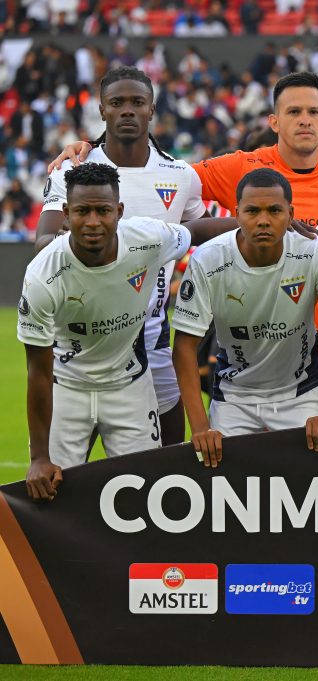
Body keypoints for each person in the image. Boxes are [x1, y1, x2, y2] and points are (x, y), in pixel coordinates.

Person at [49, 71, 318, 391]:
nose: (304, 120)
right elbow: (157, 172)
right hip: (264, 346)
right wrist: (96, 147)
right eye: (293, 112)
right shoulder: (242, 167)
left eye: (313, 112)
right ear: (274, 122)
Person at [37, 67, 208, 446]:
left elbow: (205, 236)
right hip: (81, 336)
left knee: (164, 462)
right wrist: (66, 239)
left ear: (152, 110)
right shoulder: (74, 168)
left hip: (153, 333)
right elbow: (44, 239)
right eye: (117, 103)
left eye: (136, 102)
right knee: (61, 472)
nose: (127, 110)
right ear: (101, 111)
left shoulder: (180, 175)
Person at [18, 163, 198, 501]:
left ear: (119, 212)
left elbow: (197, 231)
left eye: (103, 211)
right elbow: (38, 372)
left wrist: (267, 227)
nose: (92, 222)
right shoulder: (43, 274)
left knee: (146, 496)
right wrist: (39, 458)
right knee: (52, 497)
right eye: (82, 212)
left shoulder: (147, 238)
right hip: (65, 388)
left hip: (129, 387)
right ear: (67, 215)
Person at [171, 169, 318, 467]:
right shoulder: (208, 259)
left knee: (312, 482)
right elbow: (184, 347)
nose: (263, 220)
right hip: (234, 395)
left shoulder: (314, 252)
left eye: (274, 211)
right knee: (223, 486)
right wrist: (200, 429)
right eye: (252, 211)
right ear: (237, 213)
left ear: (290, 213)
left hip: (300, 393)